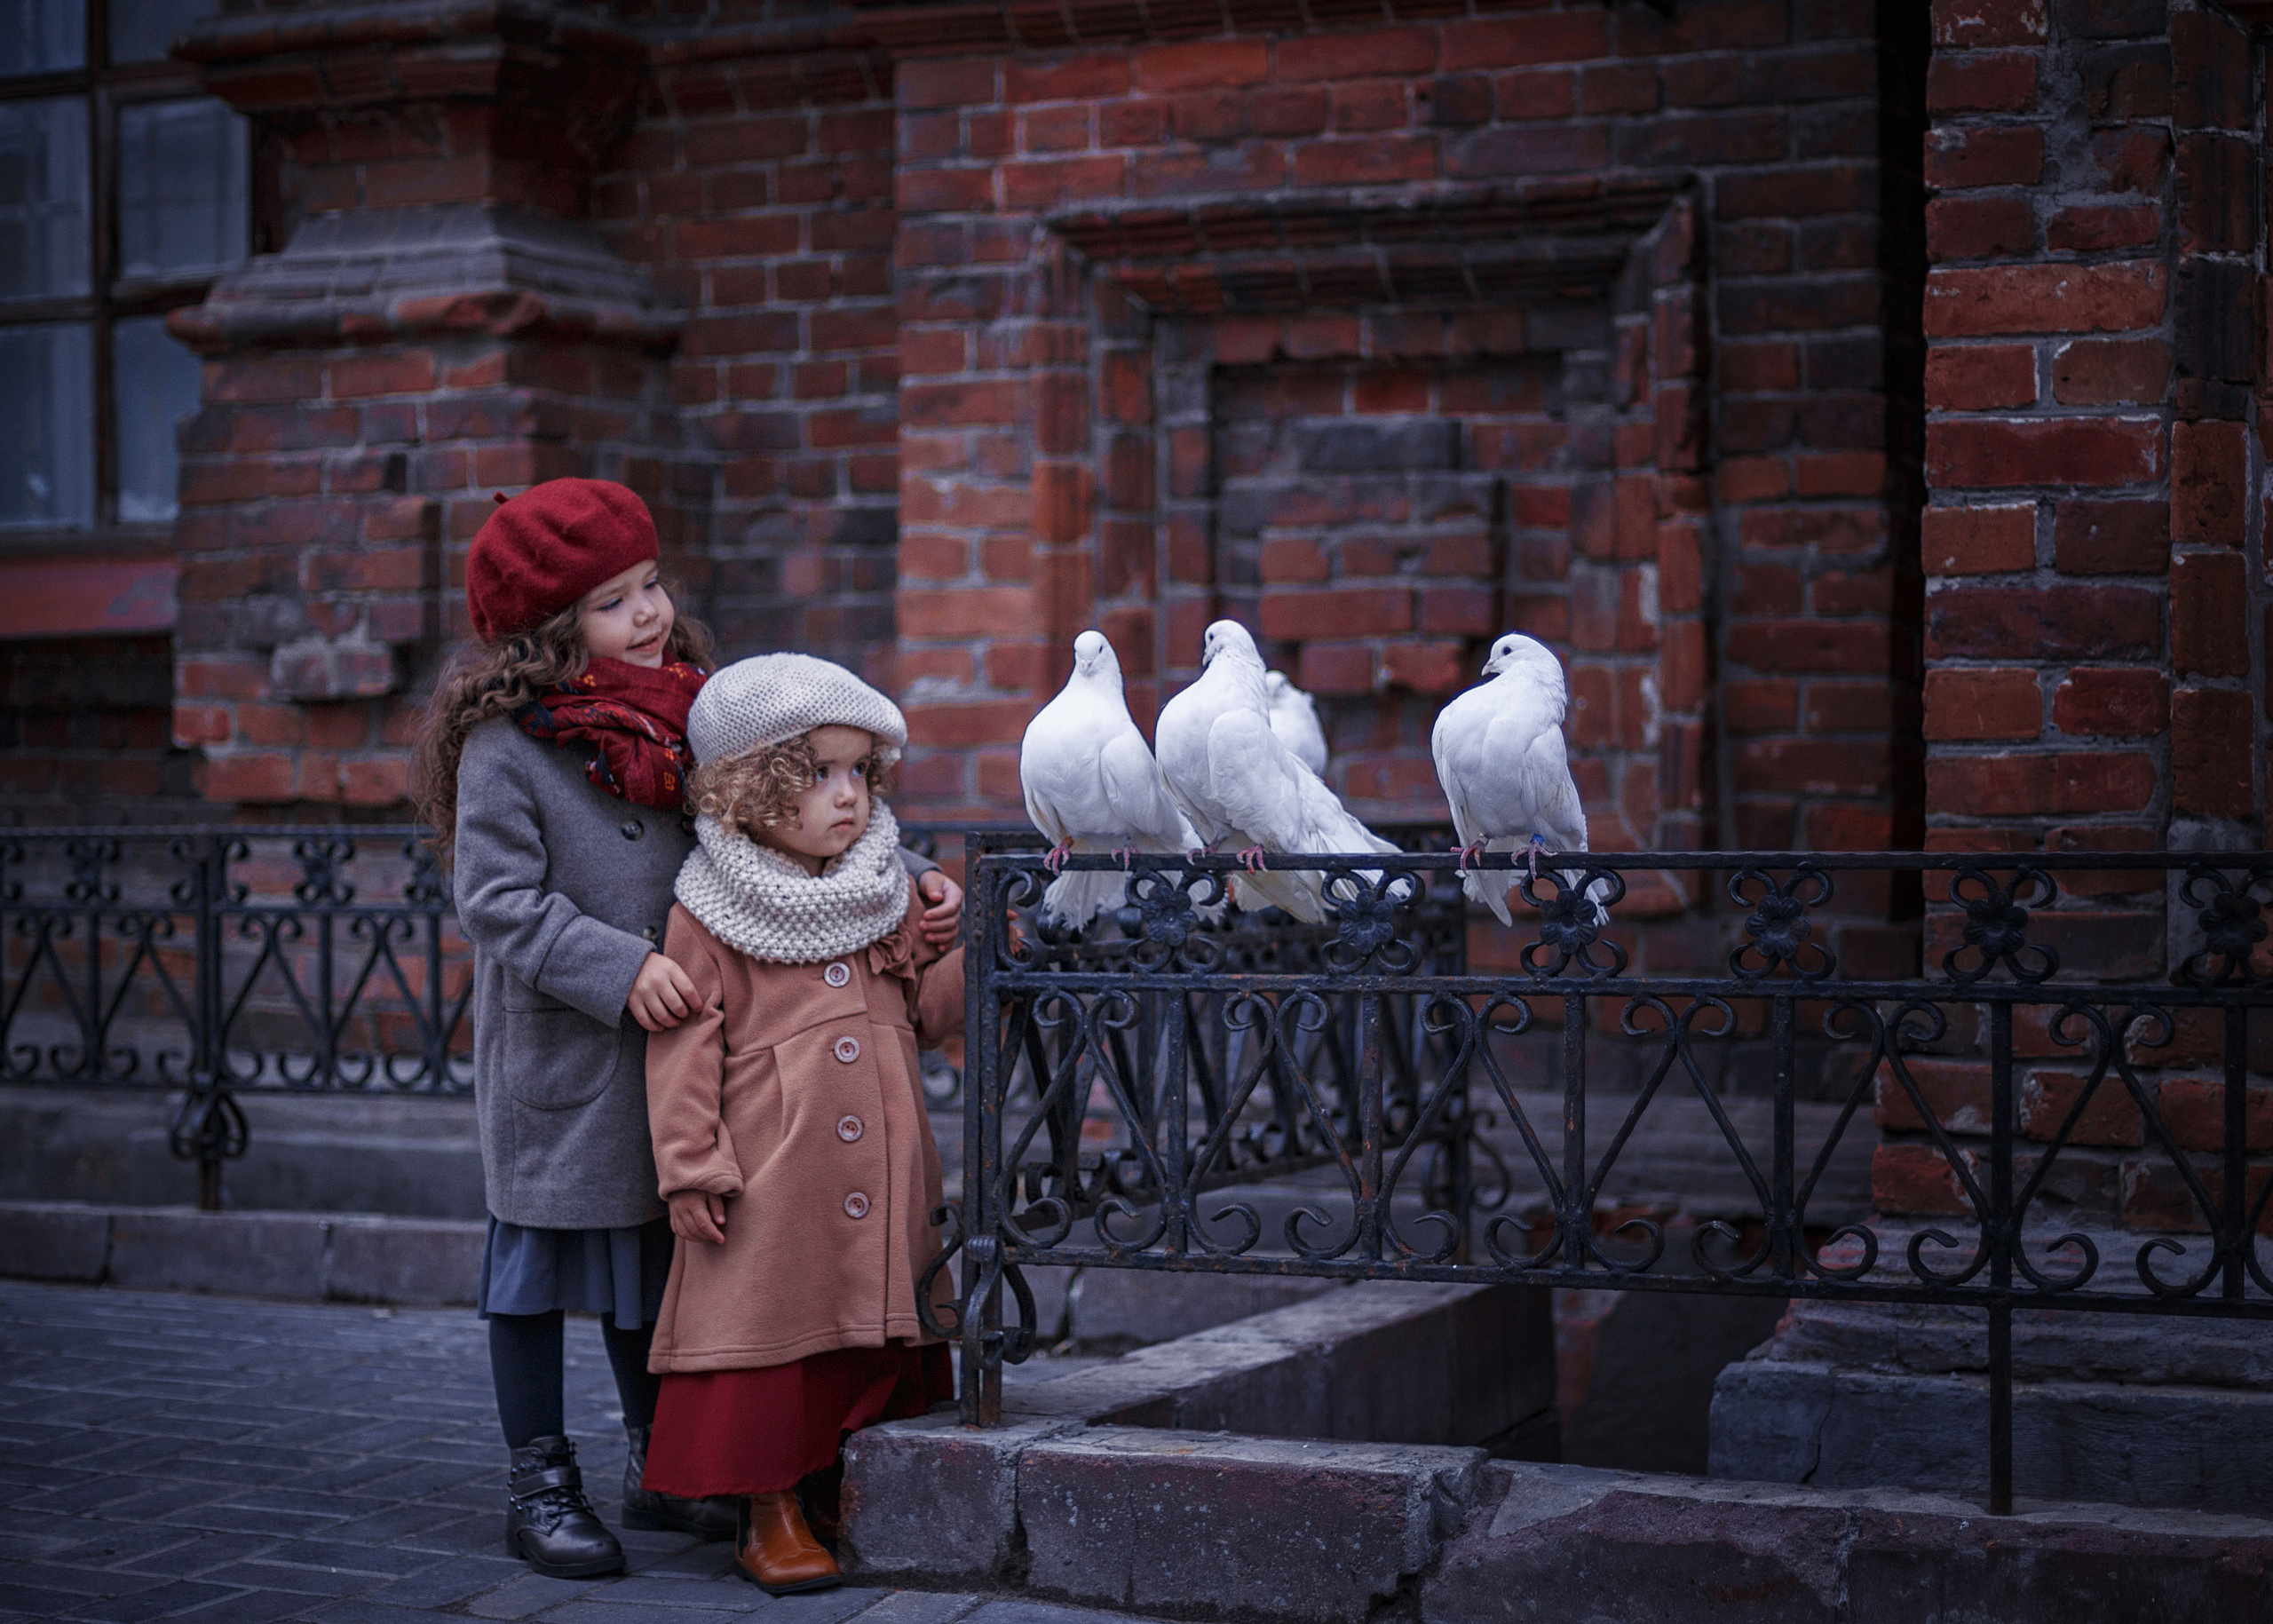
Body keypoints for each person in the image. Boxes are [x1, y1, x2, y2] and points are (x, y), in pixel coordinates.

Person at [412, 479, 960, 1580]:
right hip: (574, 1046)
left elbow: (767, 820)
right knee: (537, 1267)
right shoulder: (506, 746)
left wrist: (907, 876)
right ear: (551, 628)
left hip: (702, 1036)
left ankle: (657, 1461)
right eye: (612, 601)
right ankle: (540, 1480)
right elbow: (497, 901)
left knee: (661, 1258)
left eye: (649, 584)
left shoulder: (689, 711)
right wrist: (620, 969)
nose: (648, 612)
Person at [639, 654, 964, 1594]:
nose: (847, 795)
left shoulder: (885, 889)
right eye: (818, 773)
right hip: (772, 1170)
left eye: (859, 771)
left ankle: (838, 1485)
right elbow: (684, 1047)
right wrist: (689, 1164)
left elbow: (931, 1016)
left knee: (868, 1327)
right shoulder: (709, 911)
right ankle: (768, 1505)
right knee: (771, 1330)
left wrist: (967, 943)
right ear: (752, 786)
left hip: (884, 1159)